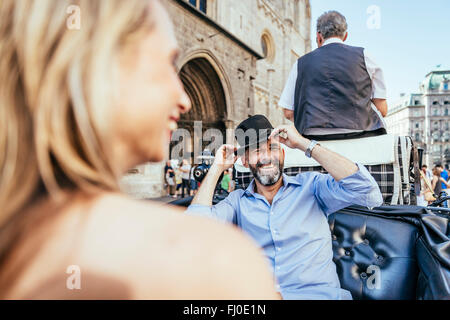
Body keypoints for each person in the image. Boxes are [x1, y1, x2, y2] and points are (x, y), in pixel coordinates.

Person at [0, 0, 279, 299]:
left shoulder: (16, 238)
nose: (183, 98)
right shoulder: (217, 260)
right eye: (167, 64)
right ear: (100, 72)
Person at [186, 115, 383, 300]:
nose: (266, 157)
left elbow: (368, 191)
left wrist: (305, 144)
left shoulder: (312, 186)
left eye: (271, 148)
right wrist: (217, 168)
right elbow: (193, 230)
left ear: (282, 153)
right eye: (256, 151)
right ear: (245, 161)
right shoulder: (237, 201)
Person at [279, 11, 388, 141]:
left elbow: (288, 111)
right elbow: (382, 109)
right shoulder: (365, 56)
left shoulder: (300, 63)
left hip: (313, 140)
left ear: (319, 37)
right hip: (362, 136)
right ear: (345, 35)